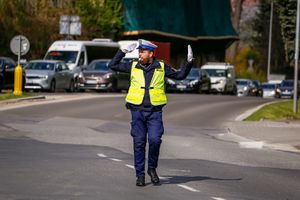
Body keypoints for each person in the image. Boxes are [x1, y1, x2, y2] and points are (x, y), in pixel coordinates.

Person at [108, 39, 194, 187]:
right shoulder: (133, 66)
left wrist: (189, 62)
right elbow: (113, 65)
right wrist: (122, 52)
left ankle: (152, 168)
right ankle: (140, 175)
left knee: (155, 141)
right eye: (139, 51)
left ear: (151, 53)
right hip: (137, 111)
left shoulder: (161, 67)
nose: (140, 54)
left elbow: (180, 76)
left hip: (155, 112)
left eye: (143, 51)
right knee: (139, 143)